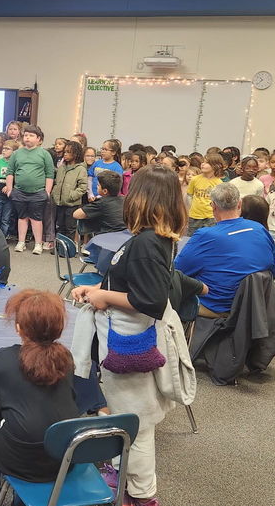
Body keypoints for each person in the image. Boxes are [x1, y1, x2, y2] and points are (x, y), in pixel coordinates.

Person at [71, 168, 204, 506]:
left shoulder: (146, 244)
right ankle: (124, 480)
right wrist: (97, 288)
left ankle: (142, 496)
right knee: (128, 417)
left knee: (137, 426)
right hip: (127, 338)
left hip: (130, 344)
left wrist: (105, 298)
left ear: (141, 198)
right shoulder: (151, 239)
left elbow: (152, 301)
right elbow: (130, 283)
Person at [0, 290, 78, 506]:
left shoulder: (3, 358)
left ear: (19, 328)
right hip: (66, 456)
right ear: (59, 328)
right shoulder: (67, 359)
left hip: (22, 459)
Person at [175, 182, 275, 317]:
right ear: (239, 204)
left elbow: (178, 272)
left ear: (213, 206)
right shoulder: (259, 229)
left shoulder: (206, 235)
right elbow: (273, 271)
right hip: (256, 306)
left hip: (217, 307)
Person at [5, 125, 55, 255]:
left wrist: (47, 192)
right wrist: (10, 189)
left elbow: (50, 174)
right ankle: (21, 242)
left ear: (38, 139)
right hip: (19, 191)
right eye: (26, 135)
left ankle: (38, 244)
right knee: (22, 217)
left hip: (38, 192)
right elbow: (10, 172)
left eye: (31, 135)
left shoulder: (45, 154)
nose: (27, 137)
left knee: (36, 218)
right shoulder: (16, 154)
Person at [51, 140, 88, 242]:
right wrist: (55, 193)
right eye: (65, 152)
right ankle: (59, 247)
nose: (65, 154)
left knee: (70, 228)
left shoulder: (80, 169)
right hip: (59, 202)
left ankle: (67, 249)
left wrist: (71, 196)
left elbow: (83, 187)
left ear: (75, 154)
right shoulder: (62, 167)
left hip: (72, 204)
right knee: (59, 226)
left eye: (68, 152)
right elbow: (57, 182)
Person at [74, 170, 126, 235]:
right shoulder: (124, 199)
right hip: (125, 236)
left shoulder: (102, 203)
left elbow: (76, 214)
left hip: (107, 237)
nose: (97, 186)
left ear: (105, 191)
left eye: (98, 185)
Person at [186, 153, 224, 236]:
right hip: (194, 216)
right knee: (192, 237)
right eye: (202, 162)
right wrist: (191, 207)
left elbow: (219, 201)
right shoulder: (195, 179)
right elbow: (189, 195)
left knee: (209, 237)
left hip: (211, 217)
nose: (202, 164)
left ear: (216, 166)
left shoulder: (219, 183)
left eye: (206, 163)